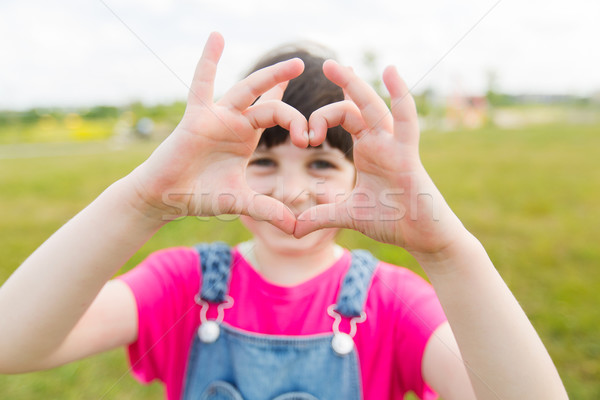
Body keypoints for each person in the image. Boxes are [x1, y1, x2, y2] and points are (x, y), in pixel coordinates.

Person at [0, 32, 567, 400]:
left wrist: (448, 254)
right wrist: (141, 200)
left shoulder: (392, 304)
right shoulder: (184, 286)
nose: (292, 191)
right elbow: (12, 344)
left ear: (356, 175)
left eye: (321, 161)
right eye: (264, 160)